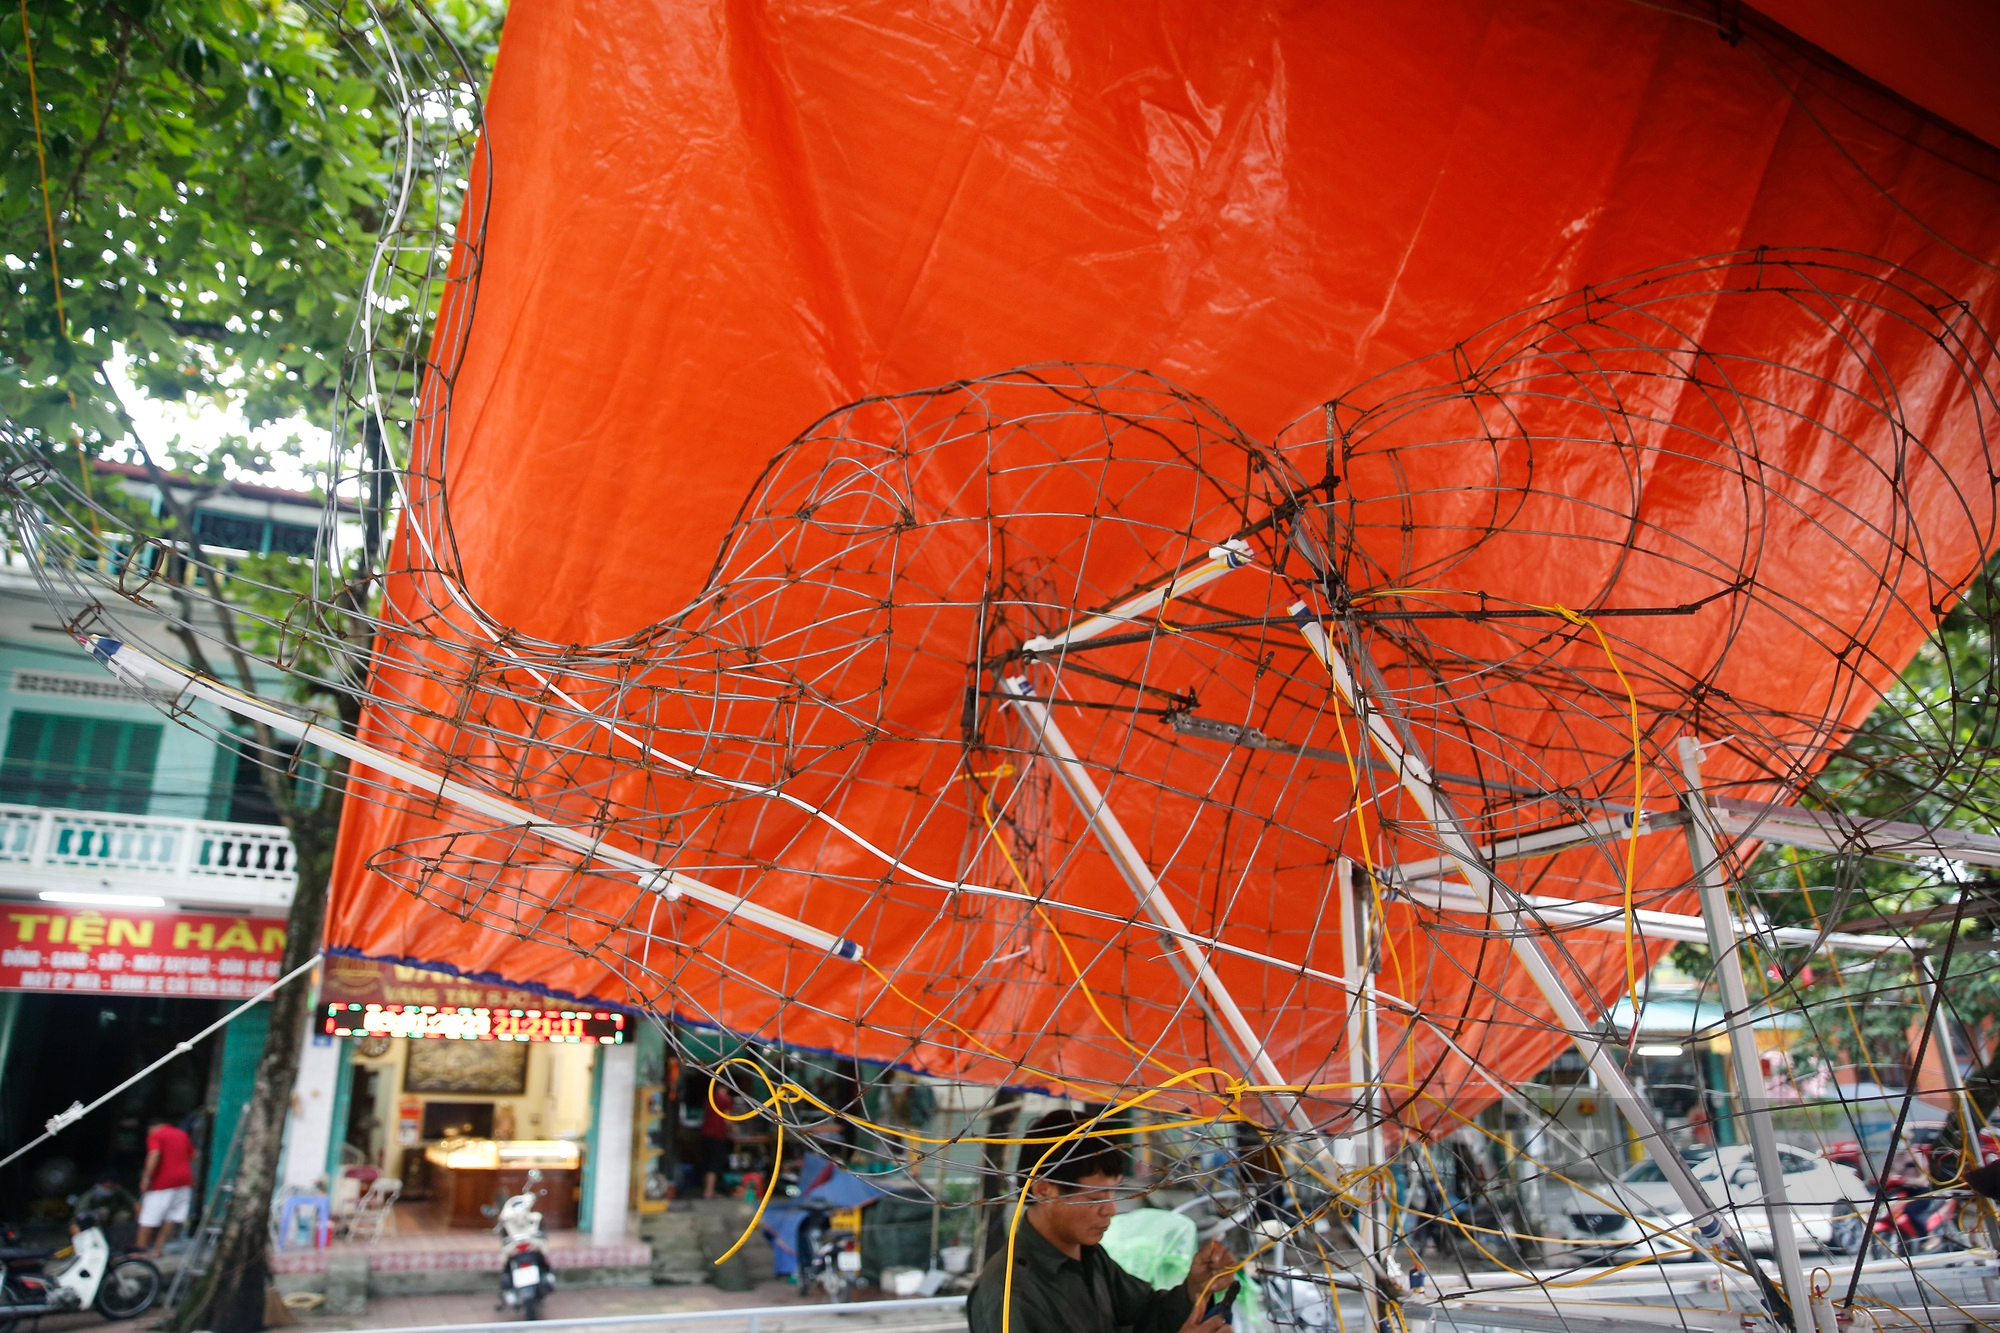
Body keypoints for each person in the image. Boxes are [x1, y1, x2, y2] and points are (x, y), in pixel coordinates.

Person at [968, 1110, 1237, 1333]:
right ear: (1044, 1190)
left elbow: (1145, 1313)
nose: (1110, 1210)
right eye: (1096, 1198)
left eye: (1112, 1194)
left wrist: (1194, 1289)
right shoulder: (1009, 1294)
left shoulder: (1090, 1256)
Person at [136, 1114, 195, 1255]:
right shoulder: (182, 1134)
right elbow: (193, 1154)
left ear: (151, 1128)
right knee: (171, 1217)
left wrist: (146, 1177)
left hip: (162, 1183)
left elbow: (154, 1154)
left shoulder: (156, 1135)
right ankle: (157, 1249)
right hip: (184, 1182)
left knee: (148, 1218)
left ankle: (139, 1253)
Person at [700, 1076, 734, 1200]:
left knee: (707, 1162)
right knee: (714, 1164)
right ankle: (709, 1192)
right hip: (717, 1134)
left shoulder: (709, 1097)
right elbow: (727, 1120)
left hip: (706, 1133)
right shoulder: (726, 1099)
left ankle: (707, 1189)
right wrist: (734, 1129)